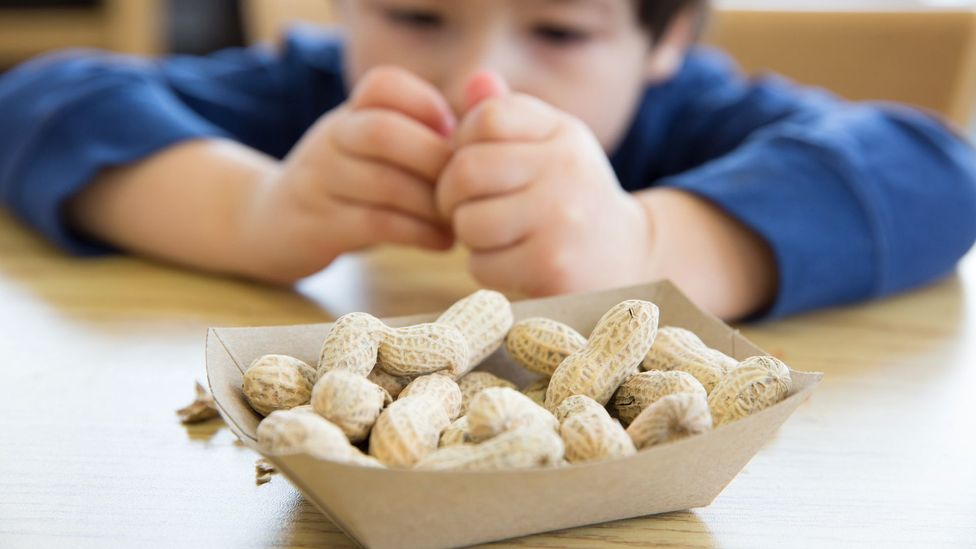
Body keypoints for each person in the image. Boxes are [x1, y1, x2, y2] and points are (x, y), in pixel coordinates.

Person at [0, 0, 974, 320]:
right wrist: (250, 212)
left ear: (666, 37)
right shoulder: (310, 98)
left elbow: (933, 170)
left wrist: (645, 243)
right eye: (417, 15)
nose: (479, 78)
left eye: (558, 29)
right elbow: (42, 99)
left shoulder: (694, 114)